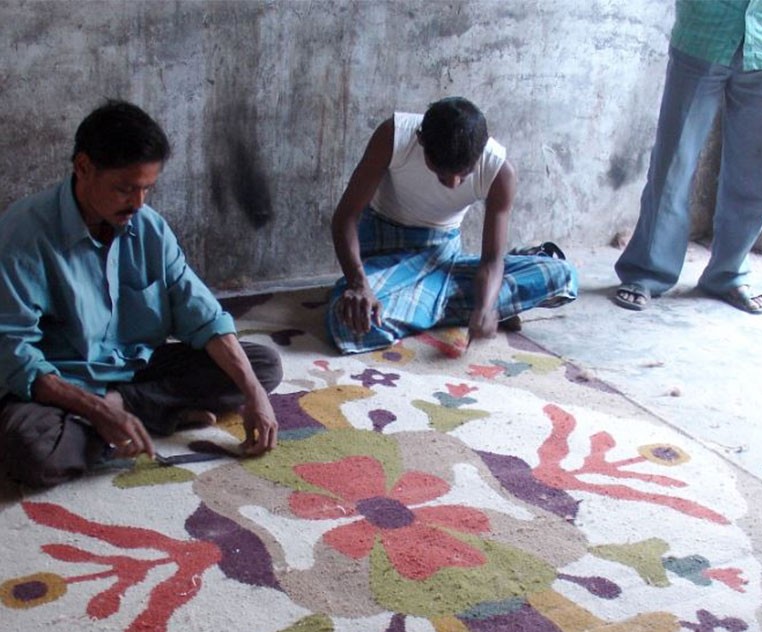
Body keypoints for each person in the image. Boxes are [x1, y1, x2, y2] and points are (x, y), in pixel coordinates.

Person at [0, 100, 283, 489]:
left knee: (262, 366)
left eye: (147, 188)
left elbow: (203, 315)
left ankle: (125, 411)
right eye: (124, 189)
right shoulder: (23, 235)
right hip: (61, 382)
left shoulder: (148, 228)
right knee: (31, 450)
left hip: (134, 370)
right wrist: (94, 408)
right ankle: (138, 414)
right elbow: (14, 356)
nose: (137, 203)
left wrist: (253, 393)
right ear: (83, 167)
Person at [327, 96, 578, 354]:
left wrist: (484, 307)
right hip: (386, 252)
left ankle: (427, 304)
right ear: (421, 140)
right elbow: (345, 218)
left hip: (443, 258)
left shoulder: (500, 172)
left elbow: (492, 260)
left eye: (464, 174)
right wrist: (359, 285)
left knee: (563, 276)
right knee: (348, 323)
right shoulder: (394, 136)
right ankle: (452, 305)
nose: (453, 183)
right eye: (442, 173)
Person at [613, 0, 762, 314]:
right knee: (673, 164)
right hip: (705, 29)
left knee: (757, 173)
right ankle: (648, 271)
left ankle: (729, 274)